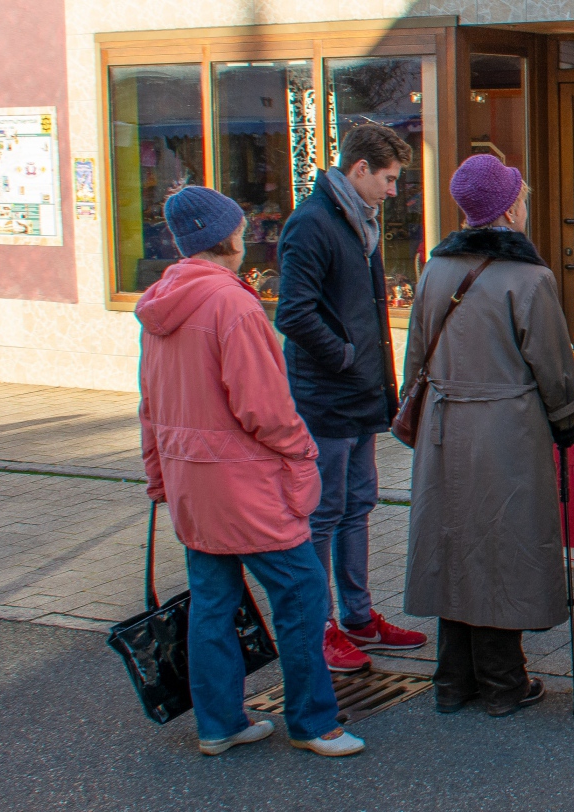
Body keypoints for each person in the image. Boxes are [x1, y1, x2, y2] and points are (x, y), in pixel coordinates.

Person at [138, 186, 363, 758]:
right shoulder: (232, 305)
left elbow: (150, 404)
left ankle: (219, 723)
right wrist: (303, 452)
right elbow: (263, 407)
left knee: (213, 603)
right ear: (232, 236)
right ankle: (313, 722)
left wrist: (159, 477)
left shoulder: (161, 303)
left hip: (193, 481)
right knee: (303, 592)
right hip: (245, 481)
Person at [403, 154, 574, 718]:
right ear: (508, 208)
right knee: (501, 548)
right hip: (504, 426)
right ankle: (503, 682)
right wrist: (568, 418)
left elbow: (413, 354)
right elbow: (553, 366)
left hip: (443, 422)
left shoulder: (435, 268)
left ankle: (453, 680)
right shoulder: (528, 277)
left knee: (452, 542)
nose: (526, 206)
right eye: (522, 198)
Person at [276, 124, 427, 672]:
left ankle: (359, 618)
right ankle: (321, 627)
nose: (393, 191)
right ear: (359, 169)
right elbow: (292, 312)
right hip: (327, 400)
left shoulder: (359, 221)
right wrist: (342, 355)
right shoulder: (313, 223)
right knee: (322, 514)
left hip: (361, 396)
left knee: (358, 506)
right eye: (388, 179)